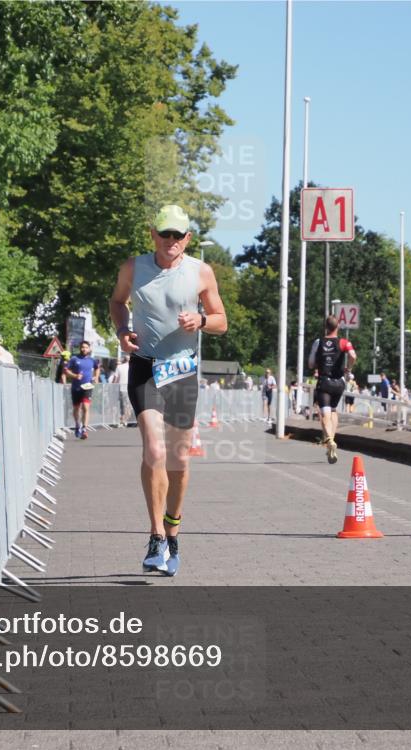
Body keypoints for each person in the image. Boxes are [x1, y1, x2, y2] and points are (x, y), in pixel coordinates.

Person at [109, 204, 227, 577]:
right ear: (153, 235)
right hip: (145, 365)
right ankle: (156, 535)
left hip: (182, 370)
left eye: (178, 235)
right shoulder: (133, 268)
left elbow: (221, 321)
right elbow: (116, 302)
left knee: (179, 462)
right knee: (154, 449)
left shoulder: (200, 272)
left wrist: (201, 319)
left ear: (187, 239)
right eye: (165, 234)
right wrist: (122, 331)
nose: (171, 241)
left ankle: (173, 532)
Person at [308, 315, 357, 464]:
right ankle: (332, 440)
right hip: (339, 383)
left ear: (325, 327)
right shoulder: (344, 342)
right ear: (338, 327)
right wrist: (348, 368)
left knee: (325, 413)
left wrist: (318, 363)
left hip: (324, 382)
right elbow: (353, 355)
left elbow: (310, 364)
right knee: (334, 410)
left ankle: (328, 439)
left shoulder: (318, 342)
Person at [64, 341, 100, 439]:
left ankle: (84, 428)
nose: (84, 349)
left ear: (89, 349)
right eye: (82, 347)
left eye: (86, 347)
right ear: (80, 348)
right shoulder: (74, 359)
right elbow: (66, 370)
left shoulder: (92, 360)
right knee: (76, 408)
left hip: (87, 386)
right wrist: (75, 375)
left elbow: (97, 368)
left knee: (85, 407)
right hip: (76, 387)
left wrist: (96, 377)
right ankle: (77, 425)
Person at [111, 355, 131, 427]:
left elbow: (115, 379)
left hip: (120, 388)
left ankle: (121, 420)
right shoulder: (132, 367)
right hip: (129, 388)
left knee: (120, 406)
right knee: (127, 406)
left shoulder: (119, 367)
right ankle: (124, 420)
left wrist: (112, 387)